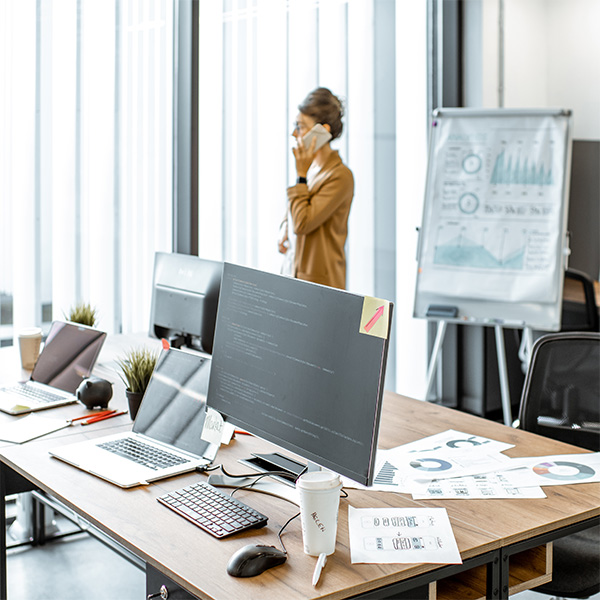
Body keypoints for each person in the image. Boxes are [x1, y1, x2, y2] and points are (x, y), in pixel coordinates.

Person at [278, 87, 354, 289]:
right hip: (295, 277)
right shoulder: (312, 169)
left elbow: (303, 223)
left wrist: (300, 176)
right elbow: (294, 214)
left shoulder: (340, 176)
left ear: (323, 131)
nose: (294, 133)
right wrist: (284, 227)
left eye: (301, 127)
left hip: (321, 287)